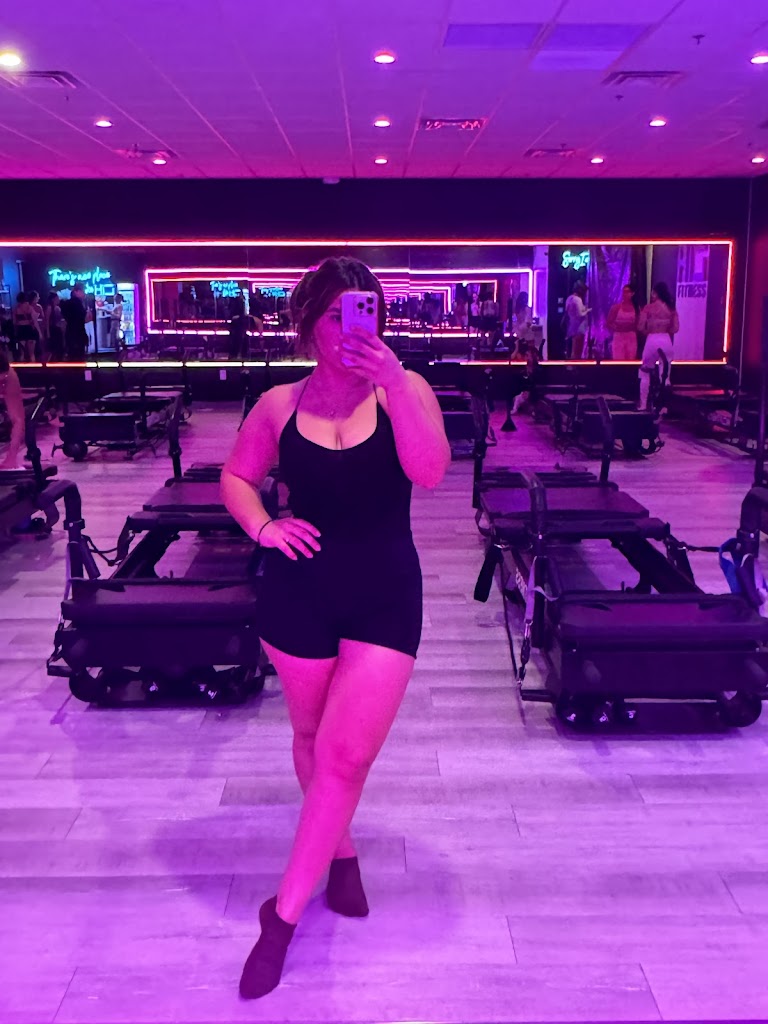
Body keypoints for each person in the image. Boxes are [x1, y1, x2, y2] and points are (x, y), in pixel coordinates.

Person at [221, 256, 450, 999]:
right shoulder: (277, 405)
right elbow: (236, 476)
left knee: (346, 756)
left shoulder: (405, 389)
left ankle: (281, 919)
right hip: (300, 592)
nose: (357, 328)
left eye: (369, 312)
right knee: (313, 737)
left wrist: (395, 384)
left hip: (385, 594)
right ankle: (341, 855)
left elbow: (431, 471)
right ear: (311, 325)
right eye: (339, 315)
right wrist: (263, 527)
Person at [637, 282, 679, 410]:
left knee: (645, 371)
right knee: (665, 374)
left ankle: (643, 404)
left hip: (652, 339)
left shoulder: (648, 308)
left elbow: (640, 326)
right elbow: (675, 328)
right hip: (666, 339)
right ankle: (664, 407)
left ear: (655, 293)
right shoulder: (671, 308)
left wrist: (648, 331)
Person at [0, 352, 24, 469]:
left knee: (17, 419)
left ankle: (11, 459)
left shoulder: (8, 375)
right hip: (5, 372)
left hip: (7, 373)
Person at [606, 284, 639, 361]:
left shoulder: (636, 308)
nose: (625, 294)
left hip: (631, 336)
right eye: (623, 292)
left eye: (627, 292)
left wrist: (631, 327)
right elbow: (609, 322)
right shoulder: (616, 307)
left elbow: (638, 323)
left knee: (631, 359)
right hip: (619, 336)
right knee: (618, 359)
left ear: (632, 293)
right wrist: (617, 328)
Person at [61, 284, 88, 360]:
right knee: (78, 357)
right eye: (82, 291)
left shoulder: (68, 303)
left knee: (72, 357)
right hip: (77, 334)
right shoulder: (77, 303)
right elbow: (81, 318)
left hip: (71, 333)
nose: (84, 294)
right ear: (77, 291)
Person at [564, 281, 590, 359]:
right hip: (579, 328)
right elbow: (580, 314)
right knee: (577, 351)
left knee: (572, 350)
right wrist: (587, 311)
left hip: (571, 327)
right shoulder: (578, 299)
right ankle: (574, 365)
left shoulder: (569, 298)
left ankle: (570, 364)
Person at [12, 292, 37, 363]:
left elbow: (14, 322)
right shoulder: (30, 307)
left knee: (21, 353)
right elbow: (34, 320)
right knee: (32, 354)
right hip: (30, 329)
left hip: (21, 330)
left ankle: (21, 368)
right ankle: (34, 367)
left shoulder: (16, 309)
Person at [46, 291, 65, 361]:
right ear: (53, 299)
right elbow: (47, 321)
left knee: (60, 347)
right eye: (57, 298)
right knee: (53, 348)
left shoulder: (58, 308)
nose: (58, 299)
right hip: (53, 329)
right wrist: (48, 333)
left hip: (58, 329)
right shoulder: (49, 308)